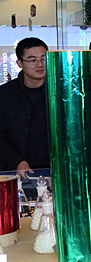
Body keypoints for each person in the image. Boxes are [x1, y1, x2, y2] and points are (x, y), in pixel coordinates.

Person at [0, 37, 50, 176]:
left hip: (54, 172)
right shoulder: (4, 95)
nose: (40, 64)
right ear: (20, 63)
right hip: (12, 172)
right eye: (33, 60)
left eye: (44, 59)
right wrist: (17, 162)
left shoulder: (60, 93)